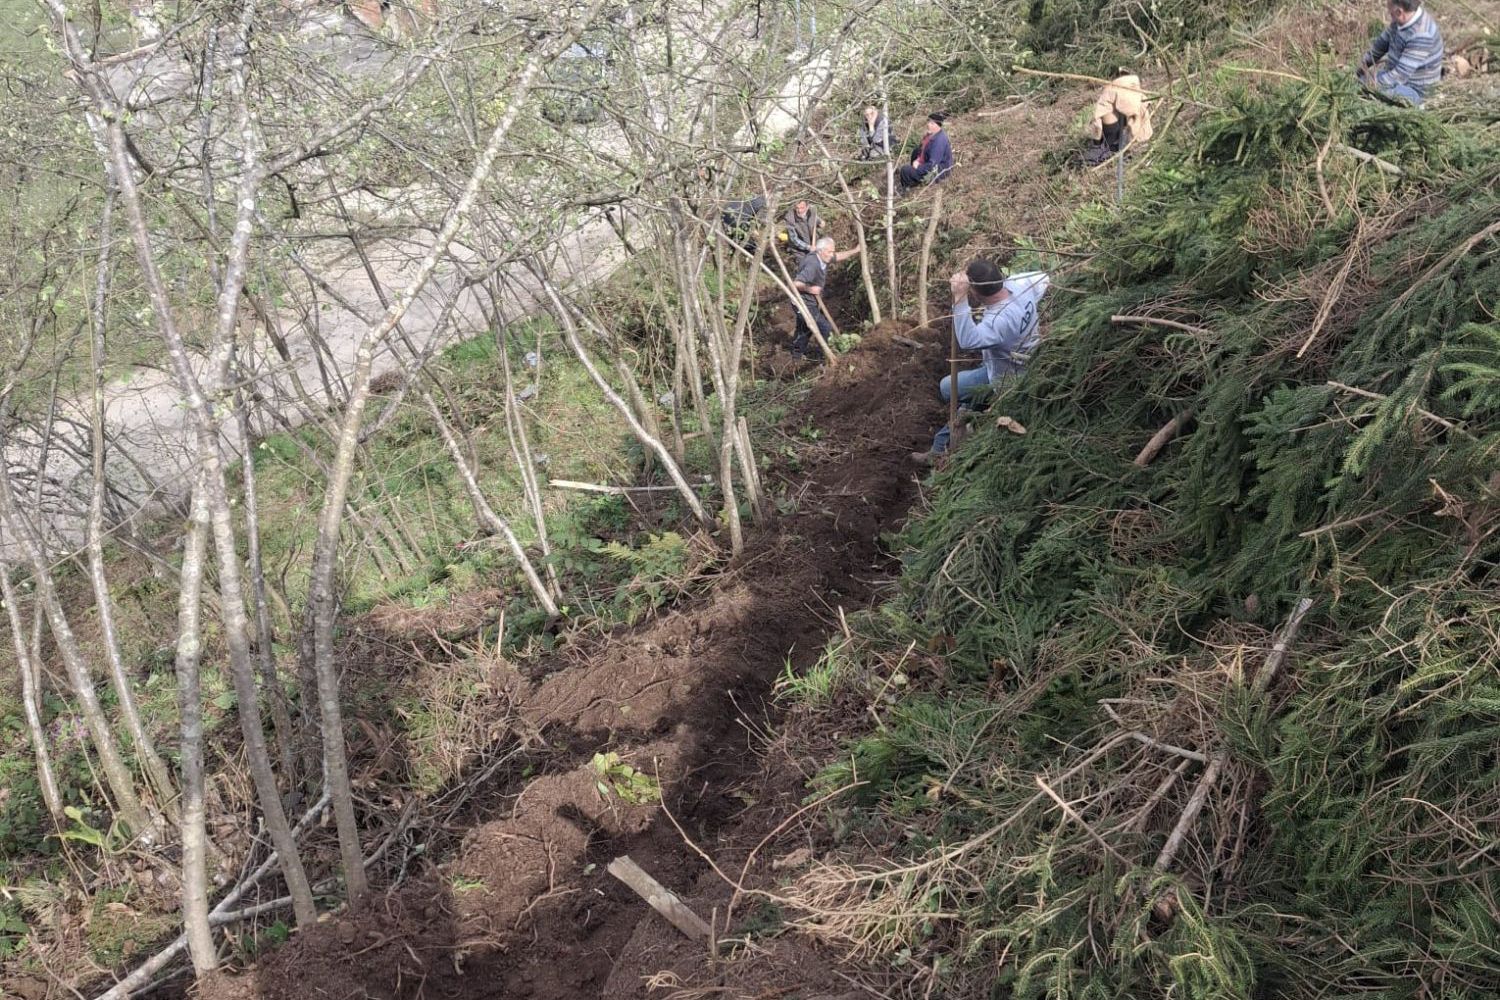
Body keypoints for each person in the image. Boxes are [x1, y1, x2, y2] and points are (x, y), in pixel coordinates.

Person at [913, 260, 1050, 463]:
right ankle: (954, 431)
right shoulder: (1020, 284)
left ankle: (945, 445)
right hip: (1017, 359)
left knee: (947, 388)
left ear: (975, 292)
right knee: (965, 396)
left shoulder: (999, 320)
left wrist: (960, 298)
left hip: (1008, 377)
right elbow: (1045, 278)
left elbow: (967, 341)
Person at [1358, 0, 1444, 106]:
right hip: (1395, 76)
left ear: (1399, 12)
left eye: (1390, 13)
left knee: (1370, 92)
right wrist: (1359, 68)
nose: (1390, 15)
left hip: (1414, 89)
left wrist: (1369, 85)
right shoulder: (1400, 21)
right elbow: (1378, 49)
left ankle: (1418, 106)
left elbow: (1399, 75)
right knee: (1361, 81)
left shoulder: (1422, 35)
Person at [790, 237, 861, 359]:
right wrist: (810, 289)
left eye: (832, 251)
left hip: (811, 302)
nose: (832, 254)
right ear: (820, 251)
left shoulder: (823, 256)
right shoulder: (812, 265)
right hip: (803, 303)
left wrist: (855, 251)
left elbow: (838, 256)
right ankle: (826, 356)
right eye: (829, 252)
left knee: (805, 328)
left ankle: (796, 355)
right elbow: (795, 284)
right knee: (825, 328)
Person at [1082, 71, 1153, 166]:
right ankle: (1114, 147)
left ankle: (1113, 147)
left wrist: (1097, 143)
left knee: (1109, 113)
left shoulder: (1111, 92)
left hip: (1124, 140)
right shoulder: (1137, 95)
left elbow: (1098, 124)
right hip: (1128, 138)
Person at [898, 112, 953, 189]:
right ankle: (914, 176)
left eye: (931, 123)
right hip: (930, 164)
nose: (928, 125)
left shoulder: (939, 141)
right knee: (915, 151)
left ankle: (909, 187)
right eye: (929, 122)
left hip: (938, 172)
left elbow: (932, 165)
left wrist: (918, 167)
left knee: (905, 170)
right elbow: (921, 150)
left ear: (937, 125)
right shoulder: (931, 134)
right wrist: (917, 160)